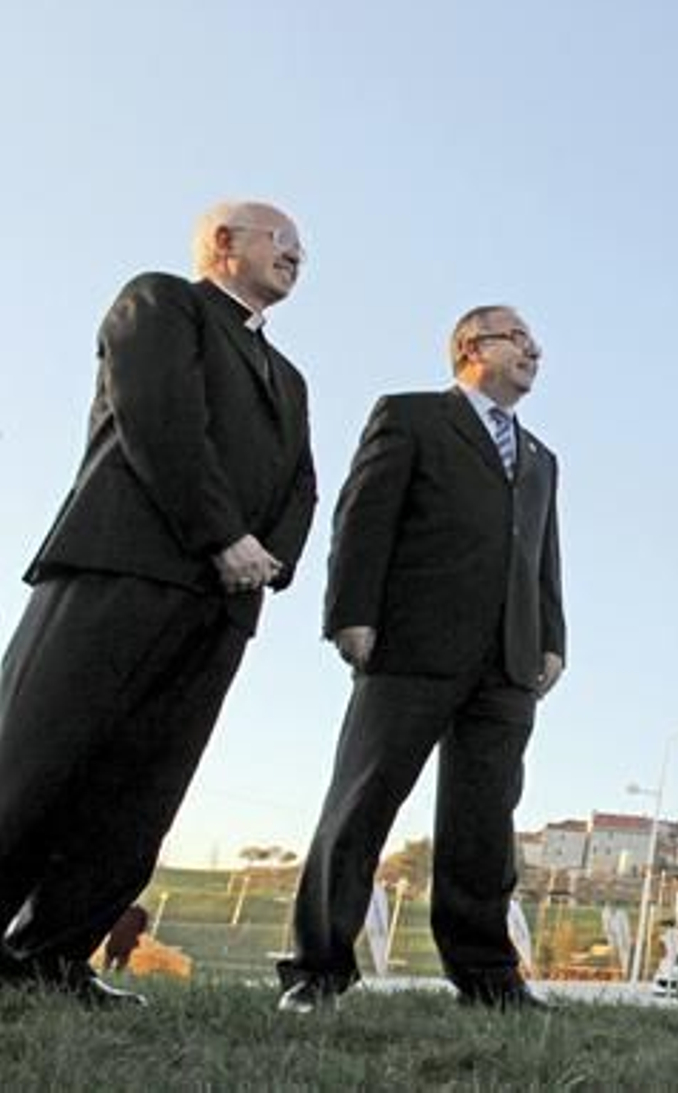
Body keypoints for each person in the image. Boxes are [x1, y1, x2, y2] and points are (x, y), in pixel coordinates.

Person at [0, 202, 316, 1004]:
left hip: (223, 602)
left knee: (143, 788)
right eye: (280, 239)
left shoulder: (290, 377)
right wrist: (220, 533)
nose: (296, 254)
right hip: (122, 568)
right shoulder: (162, 302)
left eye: (301, 248)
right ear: (223, 243)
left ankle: (50, 958)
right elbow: (160, 418)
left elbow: (301, 483)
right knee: (35, 756)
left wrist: (267, 560)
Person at [277, 305, 565, 1012]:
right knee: (362, 803)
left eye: (535, 343)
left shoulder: (540, 459)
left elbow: (542, 558)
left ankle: (488, 977)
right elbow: (364, 516)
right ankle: (317, 970)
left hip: (508, 663)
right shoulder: (410, 417)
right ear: (472, 347)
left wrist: (553, 639)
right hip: (412, 643)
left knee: (484, 822)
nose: (534, 350)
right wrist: (350, 613)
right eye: (517, 338)